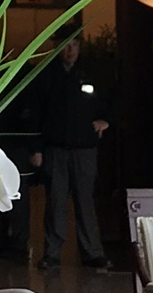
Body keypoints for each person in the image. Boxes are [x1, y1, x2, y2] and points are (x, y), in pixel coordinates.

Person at [33, 31, 109, 271]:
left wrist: (106, 120)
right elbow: (38, 114)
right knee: (55, 203)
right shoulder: (48, 75)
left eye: (74, 45)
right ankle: (52, 253)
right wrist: (37, 149)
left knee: (85, 202)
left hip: (84, 149)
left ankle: (92, 253)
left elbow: (108, 100)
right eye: (66, 45)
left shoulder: (91, 72)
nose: (70, 51)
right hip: (56, 148)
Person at [0, 44, 39, 260]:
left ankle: (19, 245)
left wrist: (33, 147)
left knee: (16, 194)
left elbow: (29, 112)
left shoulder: (16, 73)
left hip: (15, 143)